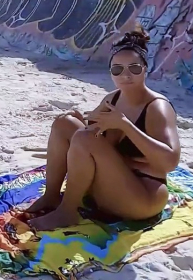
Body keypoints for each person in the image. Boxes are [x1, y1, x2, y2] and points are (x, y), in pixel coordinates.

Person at [26, 29, 181, 231]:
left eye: (134, 68)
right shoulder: (113, 99)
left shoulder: (157, 108)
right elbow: (93, 138)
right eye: (117, 70)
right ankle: (51, 197)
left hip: (142, 199)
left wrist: (126, 125)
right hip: (114, 183)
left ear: (144, 69)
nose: (125, 75)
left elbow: (169, 162)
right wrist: (82, 122)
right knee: (65, 123)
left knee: (83, 138)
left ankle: (68, 211)